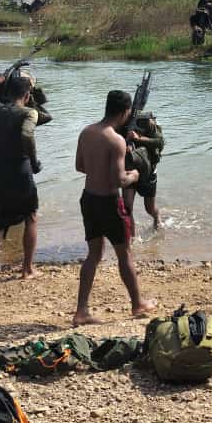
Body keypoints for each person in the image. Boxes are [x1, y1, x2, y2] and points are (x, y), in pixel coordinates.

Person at [73, 90, 157, 324]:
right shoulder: (116, 140)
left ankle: (81, 311)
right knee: (125, 254)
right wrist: (135, 174)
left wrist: (100, 168)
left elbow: (80, 166)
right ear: (124, 112)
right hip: (109, 203)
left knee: (93, 255)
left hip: (88, 199)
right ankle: (137, 304)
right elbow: (120, 180)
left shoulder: (86, 132)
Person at [0, 72, 40, 280]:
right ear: (27, 95)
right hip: (21, 169)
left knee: (0, 219)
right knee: (30, 216)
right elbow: (27, 135)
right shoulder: (29, 113)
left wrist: (2, 142)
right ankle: (27, 268)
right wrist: (34, 160)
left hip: (0, 170)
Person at [123, 111, 164, 230]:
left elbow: (160, 143)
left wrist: (138, 138)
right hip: (130, 169)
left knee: (149, 209)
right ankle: (132, 239)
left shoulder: (147, 120)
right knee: (127, 208)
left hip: (148, 170)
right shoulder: (120, 122)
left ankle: (157, 217)